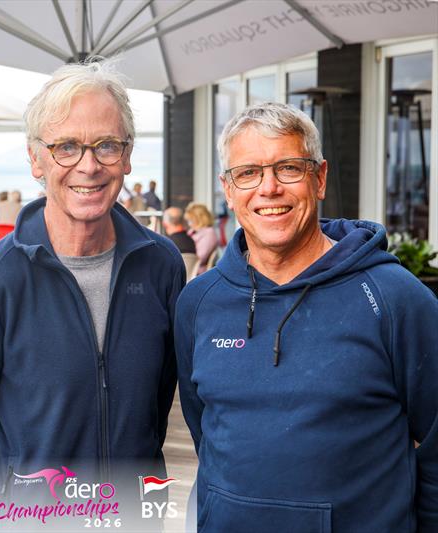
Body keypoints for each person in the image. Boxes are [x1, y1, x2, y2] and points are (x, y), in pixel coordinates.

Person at [0, 60, 185, 522]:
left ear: (127, 156)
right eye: (66, 146)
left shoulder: (161, 265)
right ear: (36, 159)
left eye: (106, 146)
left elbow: (154, 412)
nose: (88, 166)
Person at [175, 102, 438, 532]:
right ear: (228, 188)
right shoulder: (199, 302)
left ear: (319, 179)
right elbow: (204, 427)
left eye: (289, 168)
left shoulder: (395, 298)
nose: (269, 188)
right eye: (249, 173)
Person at [185, 202, 218, 275]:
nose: (189, 224)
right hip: (188, 269)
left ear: (198, 219)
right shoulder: (193, 231)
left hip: (197, 272)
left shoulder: (209, 233)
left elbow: (200, 258)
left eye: (190, 220)